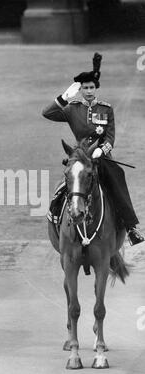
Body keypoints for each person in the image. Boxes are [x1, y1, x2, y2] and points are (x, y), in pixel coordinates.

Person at [43, 53, 144, 246]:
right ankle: (55, 219)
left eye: (91, 87)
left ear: (95, 88)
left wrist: (103, 150)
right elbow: (47, 113)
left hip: (100, 158)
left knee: (117, 181)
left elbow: (110, 136)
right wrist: (64, 98)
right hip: (80, 157)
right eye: (85, 88)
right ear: (80, 90)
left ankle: (131, 228)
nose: (88, 91)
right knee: (63, 189)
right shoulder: (72, 108)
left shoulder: (106, 109)